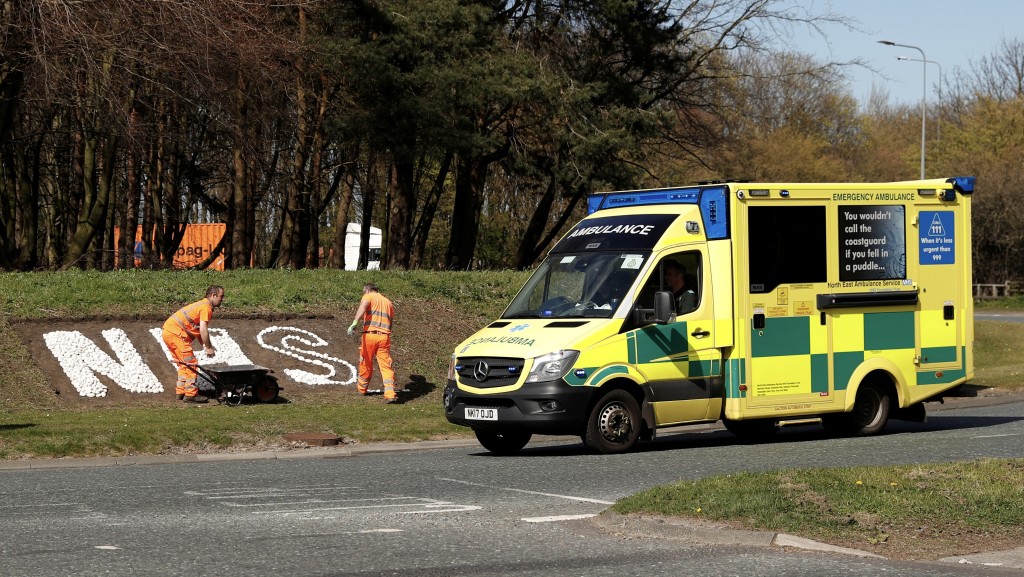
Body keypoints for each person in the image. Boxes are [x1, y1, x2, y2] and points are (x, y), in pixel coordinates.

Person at [161, 285, 225, 404]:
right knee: (191, 363)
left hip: (168, 332)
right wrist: (209, 348)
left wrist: (204, 345)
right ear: (213, 295)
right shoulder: (206, 307)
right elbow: (203, 329)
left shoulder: (201, 305)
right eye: (221, 296)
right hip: (177, 334)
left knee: (183, 364)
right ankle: (191, 394)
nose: (222, 299)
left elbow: (197, 328)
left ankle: (180, 392)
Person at [347, 283, 398, 403]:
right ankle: (390, 394)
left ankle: (362, 389)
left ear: (368, 290)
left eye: (364, 292)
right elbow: (390, 322)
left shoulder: (368, 296)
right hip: (384, 337)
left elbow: (363, 306)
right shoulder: (388, 302)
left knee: (365, 362)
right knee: (386, 365)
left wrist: (354, 323)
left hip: (370, 335)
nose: (363, 295)